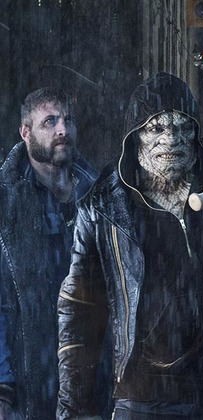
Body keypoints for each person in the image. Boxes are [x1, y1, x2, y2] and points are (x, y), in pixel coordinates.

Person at [56, 72, 203, 419]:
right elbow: (79, 309)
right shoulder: (104, 205)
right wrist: (74, 407)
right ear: (135, 135)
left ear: (196, 132)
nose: (171, 139)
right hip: (144, 393)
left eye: (183, 128)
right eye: (156, 128)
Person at [0, 88, 98, 419]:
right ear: (25, 132)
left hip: (91, 367)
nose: (62, 130)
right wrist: (2, 381)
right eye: (50, 121)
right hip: (28, 370)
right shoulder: (5, 201)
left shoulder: (98, 194)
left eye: (68, 120)